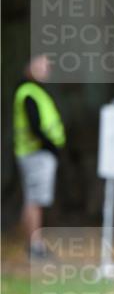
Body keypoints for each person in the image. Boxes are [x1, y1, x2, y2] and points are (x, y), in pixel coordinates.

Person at [13, 55, 65, 258]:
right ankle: (34, 246)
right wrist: (50, 146)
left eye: (47, 67)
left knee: (33, 200)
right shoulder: (29, 92)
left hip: (35, 153)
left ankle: (32, 244)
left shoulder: (35, 91)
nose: (45, 70)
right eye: (41, 66)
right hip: (36, 153)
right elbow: (35, 125)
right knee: (35, 201)